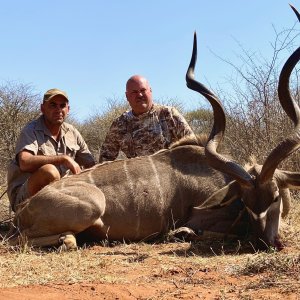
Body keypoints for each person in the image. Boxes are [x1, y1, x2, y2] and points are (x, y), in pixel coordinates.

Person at [7, 88, 96, 212]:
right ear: (43, 108)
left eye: (62, 105)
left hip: (62, 195)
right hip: (26, 200)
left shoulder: (72, 132)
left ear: (68, 110)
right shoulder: (31, 130)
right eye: (53, 105)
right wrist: (63, 159)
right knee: (49, 171)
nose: (58, 110)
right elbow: (24, 162)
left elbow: (91, 165)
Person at [99, 75, 196, 162]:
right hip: (139, 177)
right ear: (127, 96)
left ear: (150, 91)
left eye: (143, 90)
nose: (139, 95)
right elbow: (105, 158)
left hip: (170, 174)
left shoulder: (168, 114)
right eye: (134, 92)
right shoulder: (120, 124)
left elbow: (193, 146)